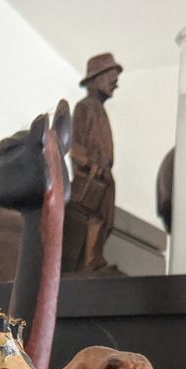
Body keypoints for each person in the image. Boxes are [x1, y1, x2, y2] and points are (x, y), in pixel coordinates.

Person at [68, 52, 122, 271]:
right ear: (97, 78)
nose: (115, 83)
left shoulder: (99, 109)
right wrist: (89, 164)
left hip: (105, 175)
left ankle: (94, 259)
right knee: (91, 218)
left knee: (105, 220)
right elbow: (74, 144)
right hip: (91, 175)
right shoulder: (84, 107)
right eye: (111, 76)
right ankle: (89, 262)